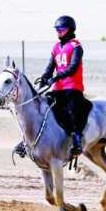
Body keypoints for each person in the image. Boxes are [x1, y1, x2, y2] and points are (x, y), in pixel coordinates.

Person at [13, 15, 86, 158]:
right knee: (40, 108)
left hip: (73, 88)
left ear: (70, 29)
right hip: (58, 89)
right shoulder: (56, 47)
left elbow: (73, 67)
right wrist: (45, 77)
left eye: (61, 29)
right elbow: (50, 67)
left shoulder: (76, 47)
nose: (58, 31)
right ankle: (26, 141)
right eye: (57, 29)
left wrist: (56, 77)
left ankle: (77, 140)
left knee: (71, 111)